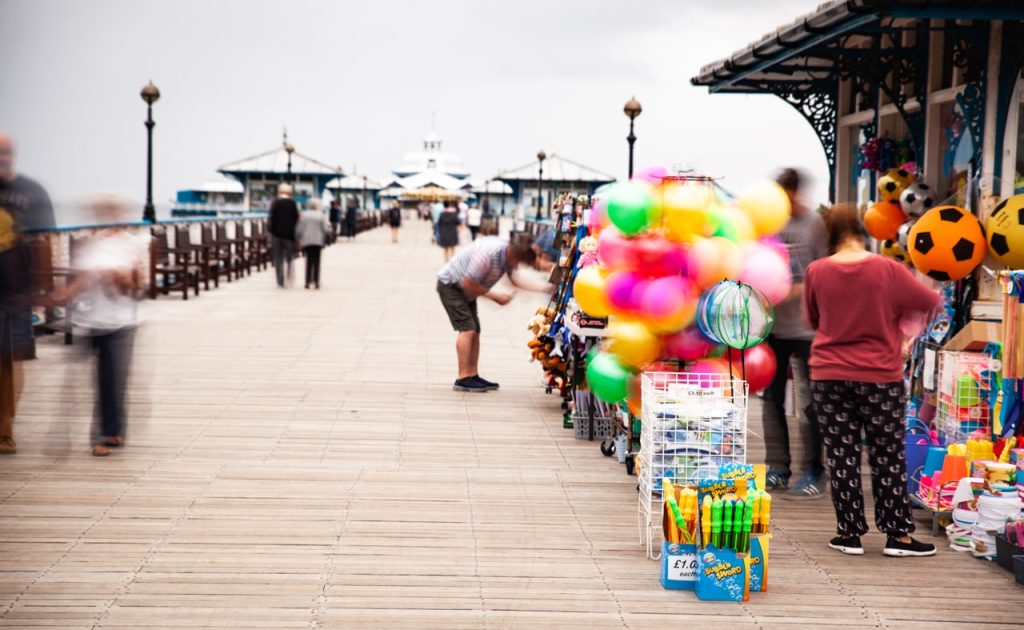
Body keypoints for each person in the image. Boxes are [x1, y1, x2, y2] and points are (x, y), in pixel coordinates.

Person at [804, 204, 941, 558]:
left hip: (829, 373)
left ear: (829, 236)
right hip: (880, 375)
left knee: (842, 453)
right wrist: (902, 329)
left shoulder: (816, 271)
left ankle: (849, 534)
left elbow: (813, 319)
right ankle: (898, 536)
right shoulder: (887, 269)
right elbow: (931, 302)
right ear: (862, 231)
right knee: (887, 454)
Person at [762, 168, 829, 498]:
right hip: (772, 326)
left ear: (796, 192)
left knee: (810, 401)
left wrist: (792, 290)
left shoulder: (813, 223)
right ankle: (777, 467)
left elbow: (825, 271)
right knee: (771, 399)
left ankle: (814, 469)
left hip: (807, 328)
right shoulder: (767, 222)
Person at [64, 196, 149, 457]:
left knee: (116, 378)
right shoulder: (92, 244)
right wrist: (64, 294)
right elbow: (79, 279)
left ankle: (113, 430)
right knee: (102, 378)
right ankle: (101, 435)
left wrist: (119, 278)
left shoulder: (134, 245)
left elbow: (139, 287)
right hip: (93, 319)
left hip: (123, 320)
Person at [0, 132, 55, 455]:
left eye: (6, 152)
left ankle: (6, 427)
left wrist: (45, 289)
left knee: (9, 360)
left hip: (15, 291)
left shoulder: (32, 192)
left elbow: (45, 241)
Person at [436, 237, 541, 392]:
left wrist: (542, 290)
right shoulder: (485, 256)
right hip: (451, 286)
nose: (517, 266)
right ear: (513, 256)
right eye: (518, 263)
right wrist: (495, 297)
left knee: (475, 331)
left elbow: (513, 281)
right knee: (467, 329)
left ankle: (472, 375)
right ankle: (463, 378)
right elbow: (468, 282)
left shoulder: (507, 253)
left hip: (466, 290)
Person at [268, 183, 299, 288]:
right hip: (289, 236)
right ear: (289, 192)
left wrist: (271, 231)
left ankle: (280, 281)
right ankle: (288, 277)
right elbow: (296, 219)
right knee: (289, 258)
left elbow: (270, 220)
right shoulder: (292, 203)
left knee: (278, 259)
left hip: (276, 235)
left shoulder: (275, 203)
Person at [296, 198, 328, 289]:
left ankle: (307, 281)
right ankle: (316, 281)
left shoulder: (304, 215)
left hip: (307, 241)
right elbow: (325, 229)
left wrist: (298, 238)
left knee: (308, 261)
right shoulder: (320, 215)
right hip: (318, 241)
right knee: (317, 261)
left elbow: (299, 229)